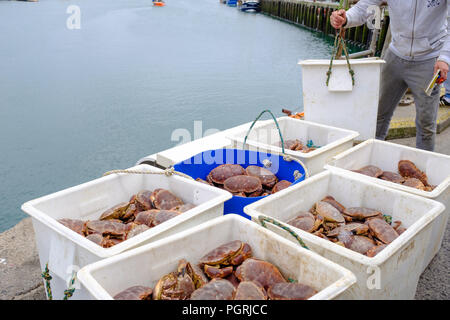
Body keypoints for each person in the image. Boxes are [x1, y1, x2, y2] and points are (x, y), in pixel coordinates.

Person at [330, 0, 449, 151]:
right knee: (379, 114)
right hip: (395, 56)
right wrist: (346, 18)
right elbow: (364, 7)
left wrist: (445, 57)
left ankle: (422, 168)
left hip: (429, 60)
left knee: (426, 124)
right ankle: (373, 157)